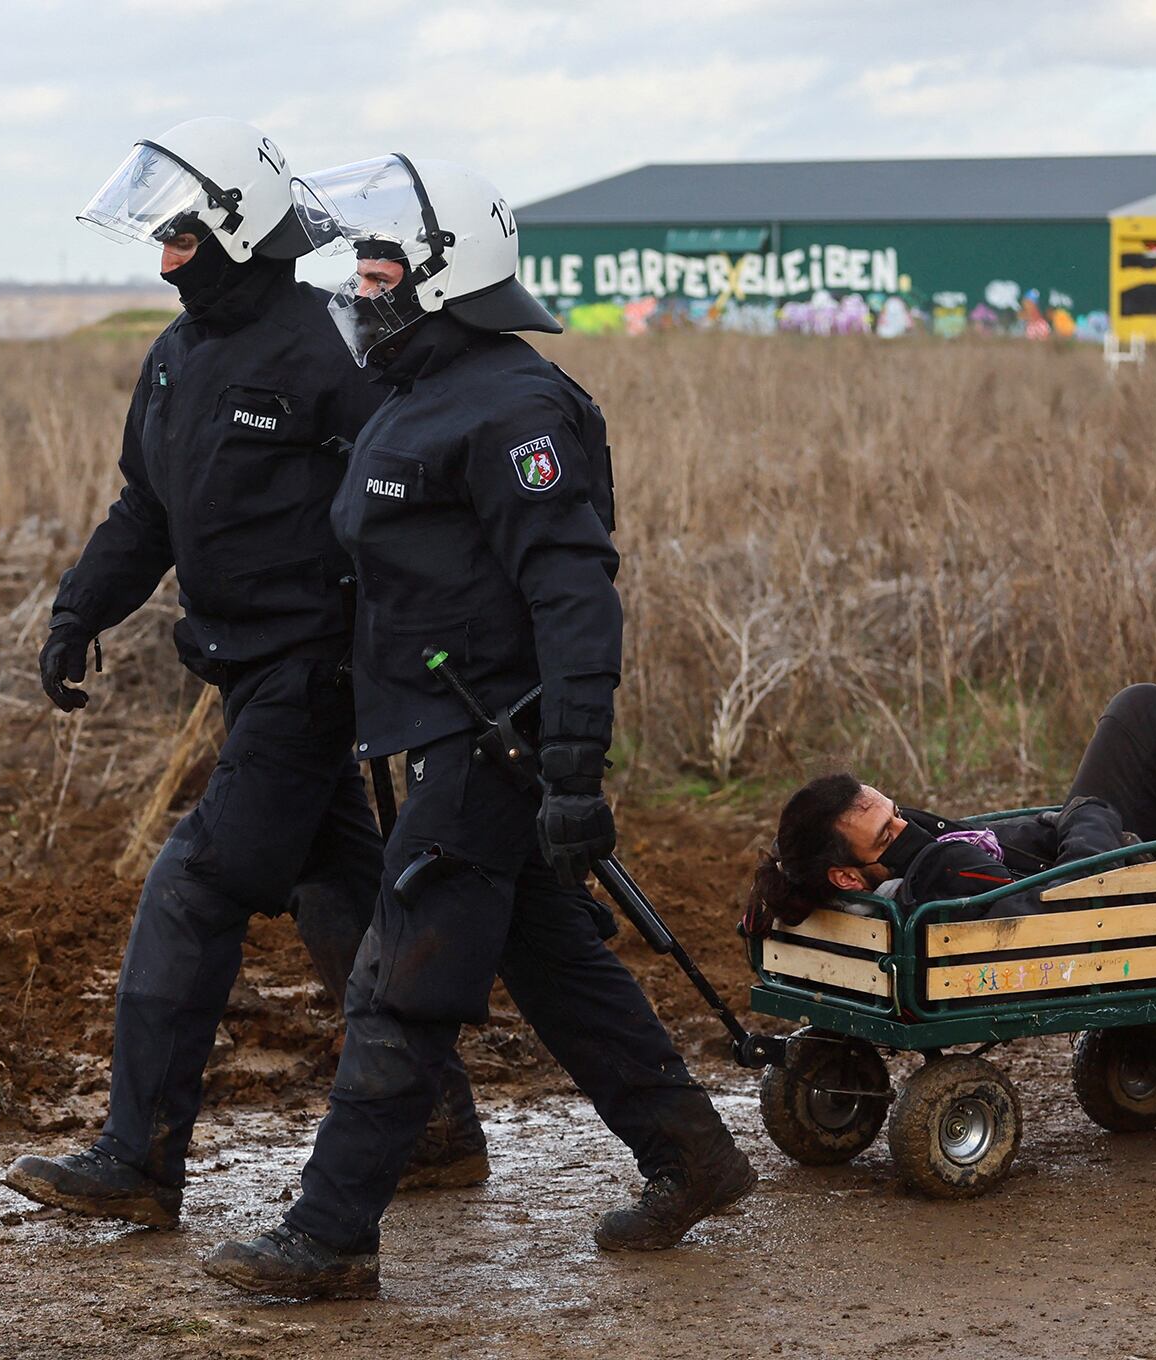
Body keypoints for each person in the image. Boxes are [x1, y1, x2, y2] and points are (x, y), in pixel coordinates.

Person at [201, 155, 754, 1300]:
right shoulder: (415, 393)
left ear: (451, 275)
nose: (360, 286)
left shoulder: (518, 406)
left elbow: (575, 595)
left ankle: (330, 1236)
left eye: (382, 264)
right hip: (446, 737)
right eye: (357, 263)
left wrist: (572, 769)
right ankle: (692, 1154)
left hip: (494, 749)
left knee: (402, 978)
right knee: (554, 963)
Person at [3, 120, 482, 1230]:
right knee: (339, 884)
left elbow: (414, 490)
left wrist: (413, 641)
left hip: (315, 673)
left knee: (198, 882)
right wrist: (81, 609)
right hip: (237, 667)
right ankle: (439, 1128)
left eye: (180, 236)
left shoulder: (335, 345)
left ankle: (139, 1156)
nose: (163, 259)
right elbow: (146, 508)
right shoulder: (172, 357)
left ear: (240, 231)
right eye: (159, 236)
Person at [744, 683, 1156, 932]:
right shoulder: (936, 871)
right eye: (885, 830)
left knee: (1147, 706)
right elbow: (1055, 916)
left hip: (1089, 849)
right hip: (1117, 902)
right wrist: (1087, 815)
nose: (902, 825)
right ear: (846, 874)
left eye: (893, 810)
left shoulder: (890, 858)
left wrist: (1075, 821)